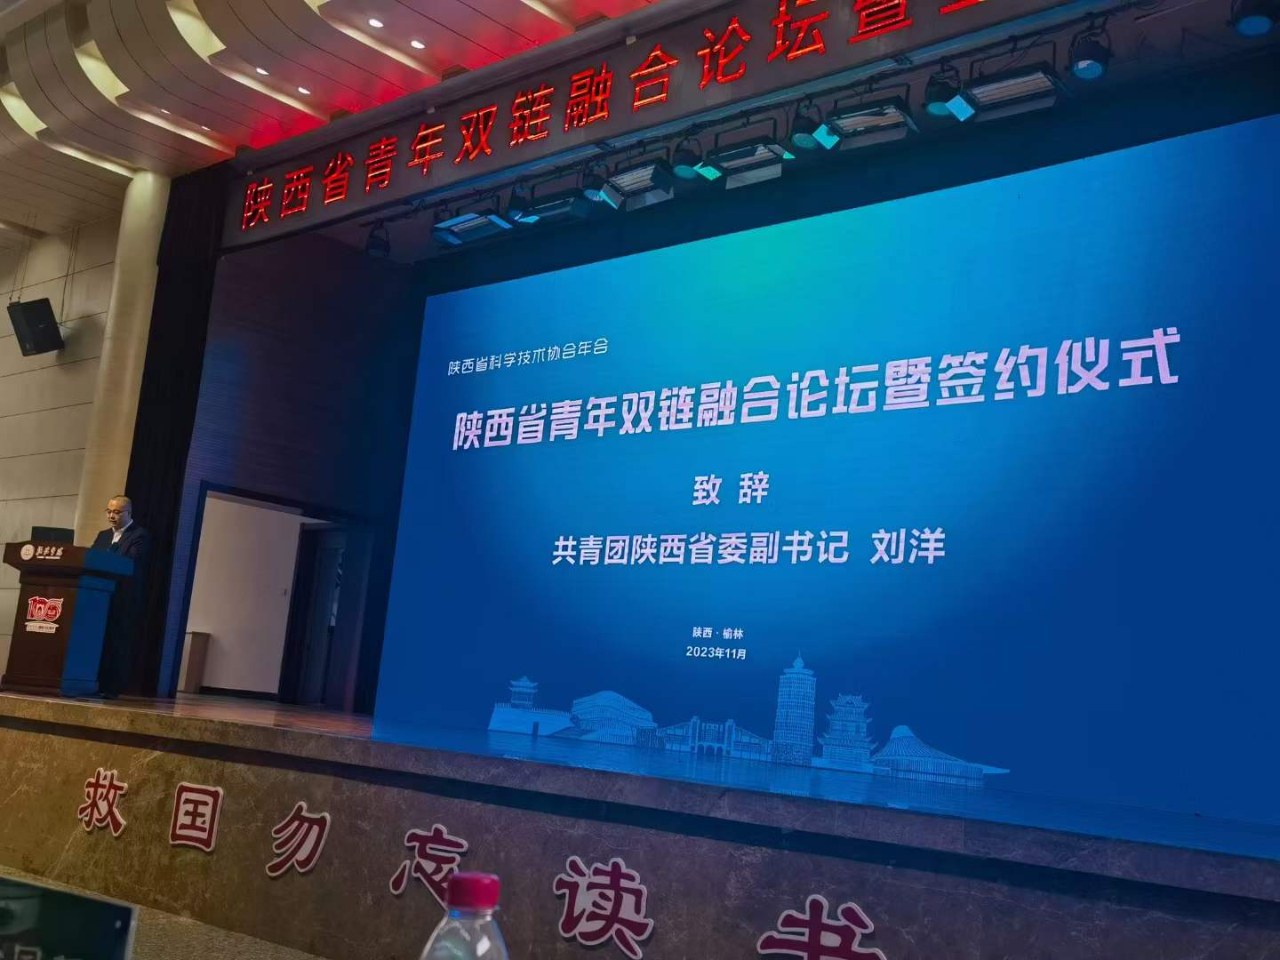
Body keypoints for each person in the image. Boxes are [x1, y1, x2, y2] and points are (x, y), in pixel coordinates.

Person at [91, 496, 150, 697]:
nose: (111, 515)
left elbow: (130, 562)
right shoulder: (102, 536)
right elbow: (91, 559)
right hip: (100, 597)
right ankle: (92, 682)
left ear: (128, 513)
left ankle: (112, 687)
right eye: (108, 511)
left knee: (117, 643)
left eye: (116, 512)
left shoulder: (140, 535)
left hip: (123, 598)